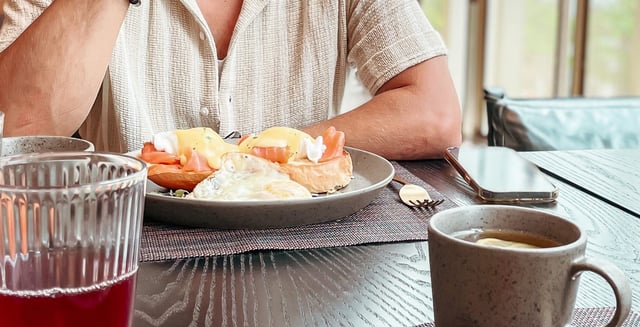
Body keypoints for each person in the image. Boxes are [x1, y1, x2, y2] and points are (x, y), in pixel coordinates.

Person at [0, 0, 462, 160]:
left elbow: (434, 112)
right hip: (133, 259)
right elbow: (23, 124)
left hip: (306, 254)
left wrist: (261, 155)